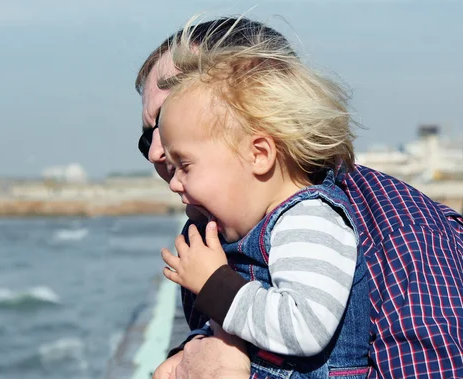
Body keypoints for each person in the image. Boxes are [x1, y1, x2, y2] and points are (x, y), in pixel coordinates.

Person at [136, 17, 463, 379]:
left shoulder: (406, 233)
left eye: (169, 118)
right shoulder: (211, 226)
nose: (154, 153)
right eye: (147, 138)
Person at [153, 24, 371, 378]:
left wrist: (213, 284)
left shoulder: (310, 220)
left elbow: (304, 325)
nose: (174, 183)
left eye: (185, 165)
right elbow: (244, 330)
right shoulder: (243, 231)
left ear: (259, 154)